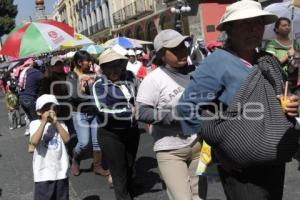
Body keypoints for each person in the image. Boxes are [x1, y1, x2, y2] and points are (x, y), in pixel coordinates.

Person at [176, 1, 299, 200]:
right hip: (241, 170)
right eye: (244, 24)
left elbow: (277, 98)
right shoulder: (217, 63)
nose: (253, 29)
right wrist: (219, 147)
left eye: (258, 23)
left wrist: (289, 103)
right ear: (229, 29)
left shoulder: (266, 61)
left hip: (274, 161)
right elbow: (186, 108)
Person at [136, 29, 207, 200]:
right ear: (161, 54)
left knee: (200, 196)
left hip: (200, 147)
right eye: (174, 50)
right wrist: (176, 115)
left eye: (183, 46)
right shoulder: (154, 79)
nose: (182, 52)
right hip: (170, 150)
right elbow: (141, 112)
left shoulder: (197, 73)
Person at [91, 49, 140, 200]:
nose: (115, 69)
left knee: (130, 166)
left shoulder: (130, 77)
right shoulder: (99, 85)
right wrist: (131, 112)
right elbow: (102, 110)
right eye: (110, 66)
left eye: (118, 65)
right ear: (103, 69)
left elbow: (141, 95)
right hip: (110, 134)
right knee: (118, 173)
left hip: (132, 131)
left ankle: (130, 192)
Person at [67, 50, 109, 177]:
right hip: (80, 113)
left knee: (97, 142)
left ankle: (97, 166)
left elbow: (102, 86)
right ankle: (76, 159)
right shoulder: (71, 76)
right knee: (84, 143)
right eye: (88, 61)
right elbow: (74, 95)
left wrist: (96, 81)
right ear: (80, 62)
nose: (91, 63)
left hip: (94, 113)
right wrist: (93, 96)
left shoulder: (92, 74)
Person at [29, 94, 70, 200]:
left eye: (53, 108)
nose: (50, 111)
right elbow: (34, 142)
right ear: (39, 112)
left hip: (61, 171)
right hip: (43, 173)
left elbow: (67, 139)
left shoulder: (61, 123)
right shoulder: (35, 124)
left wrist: (56, 123)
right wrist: (43, 122)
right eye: (46, 108)